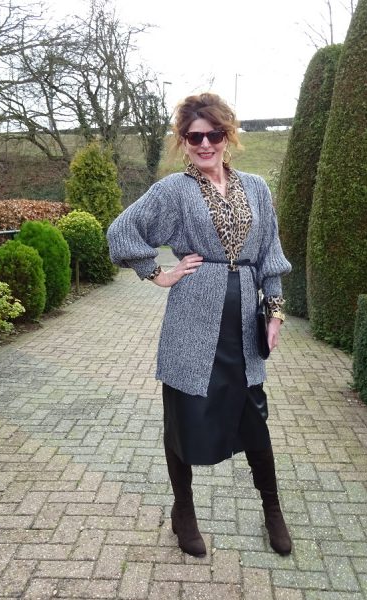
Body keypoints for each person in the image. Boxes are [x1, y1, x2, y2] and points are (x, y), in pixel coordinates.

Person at [106, 93, 292, 557]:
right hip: (193, 322)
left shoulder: (257, 188)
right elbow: (122, 231)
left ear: (228, 136)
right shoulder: (174, 191)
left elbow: (270, 255)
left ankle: (272, 510)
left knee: (254, 421)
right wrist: (157, 274)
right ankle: (183, 510)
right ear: (183, 141)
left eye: (214, 134)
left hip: (244, 324)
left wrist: (275, 310)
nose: (205, 144)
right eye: (195, 136)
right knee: (184, 418)